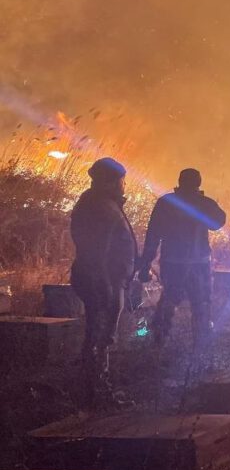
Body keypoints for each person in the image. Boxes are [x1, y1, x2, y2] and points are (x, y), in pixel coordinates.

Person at [69, 158, 137, 407]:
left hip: (106, 279)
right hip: (103, 281)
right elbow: (96, 251)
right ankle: (97, 393)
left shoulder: (99, 203)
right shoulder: (100, 208)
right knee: (101, 335)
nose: (124, 185)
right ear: (110, 182)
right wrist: (105, 284)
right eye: (121, 180)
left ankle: (95, 389)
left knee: (100, 333)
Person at [138, 168, 226, 355]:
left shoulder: (166, 203)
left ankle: (158, 341)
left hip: (173, 262)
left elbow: (153, 234)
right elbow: (218, 223)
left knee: (169, 298)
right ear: (198, 183)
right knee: (200, 302)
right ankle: (201, 345)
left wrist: (146, 262)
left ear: (179, 181)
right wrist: (204, 205)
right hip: (199, 262)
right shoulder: (204, 203)